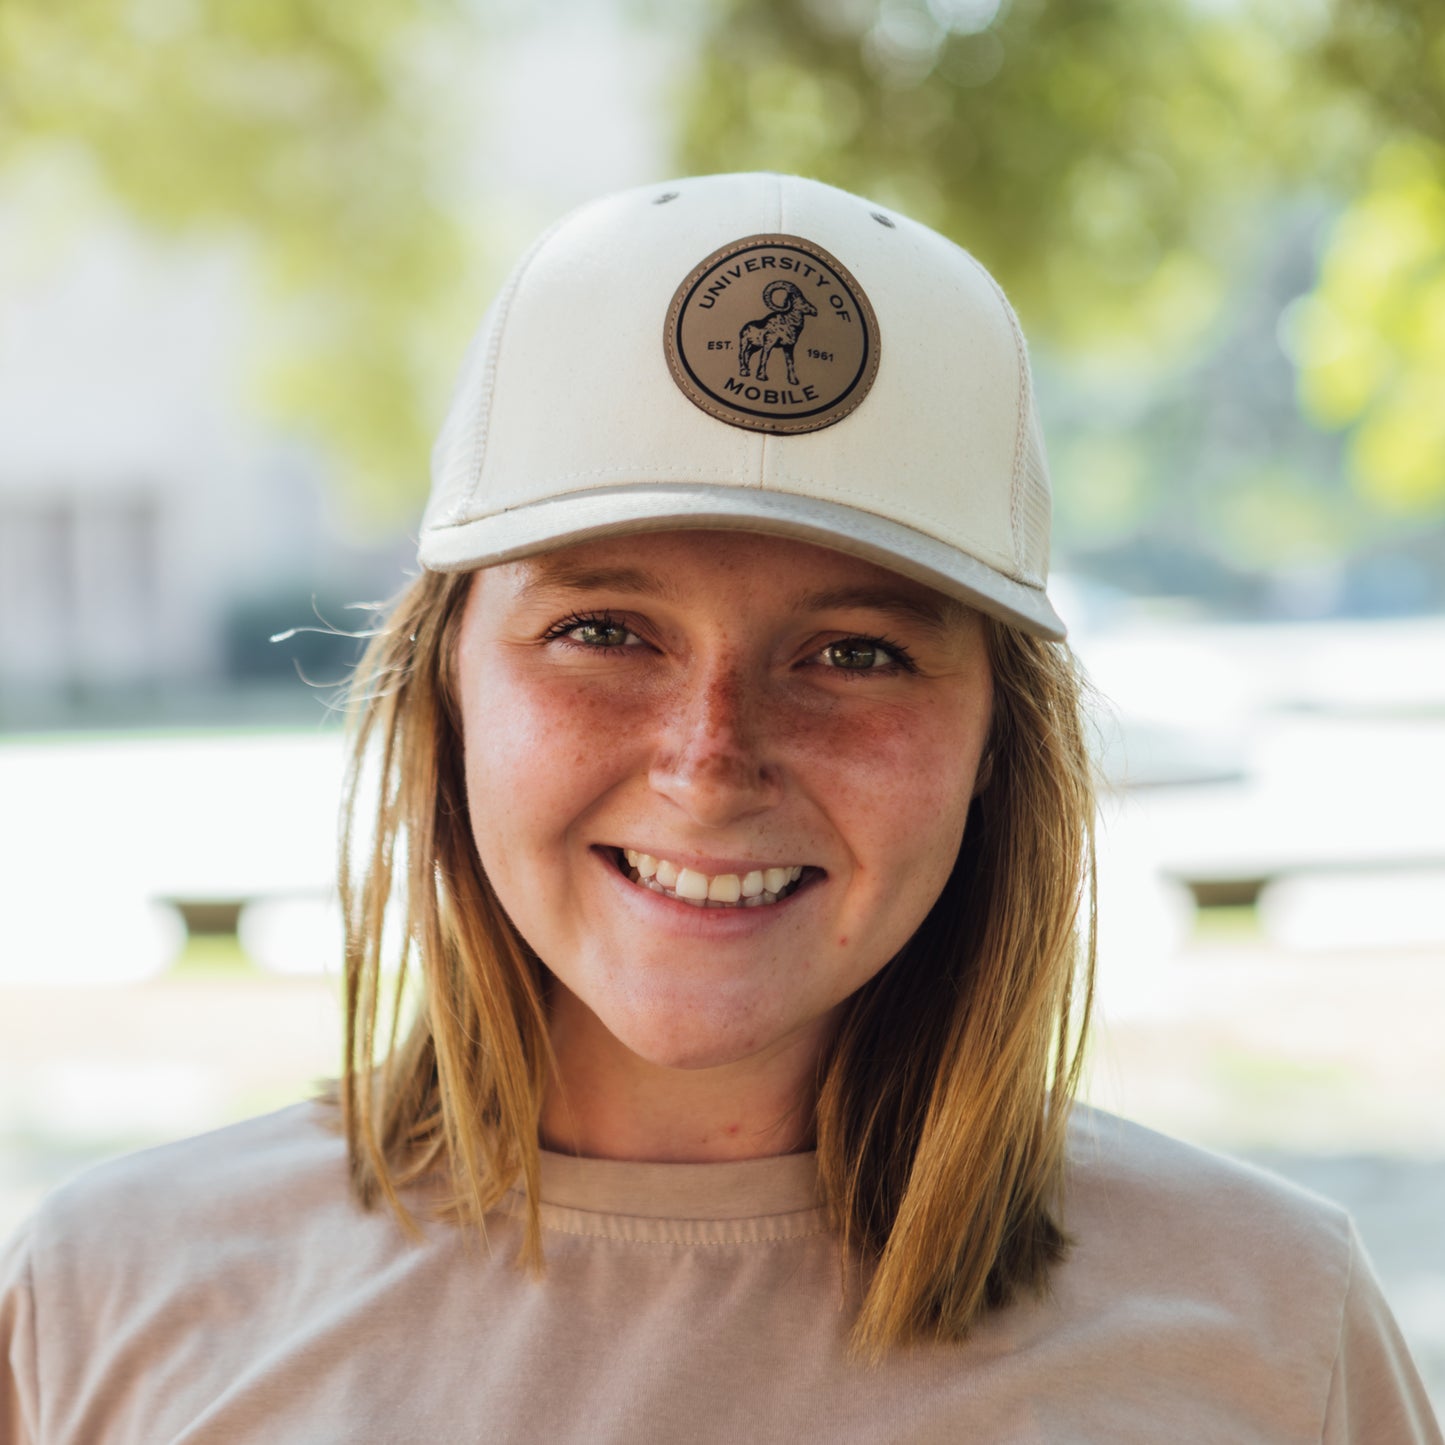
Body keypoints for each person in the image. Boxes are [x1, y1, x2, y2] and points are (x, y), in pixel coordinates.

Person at [1, 173, 1439, 1444]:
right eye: (606, 629)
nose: (709, 757)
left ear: (997, 734)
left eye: (855, 653)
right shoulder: (107, 1303)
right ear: (446, 682)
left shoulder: (1270, 1326)